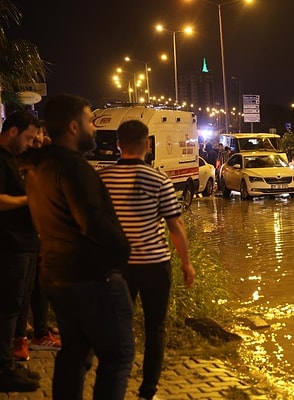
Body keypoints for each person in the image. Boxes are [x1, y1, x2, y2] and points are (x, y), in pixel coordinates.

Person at [22, 94, 135, 400]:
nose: (94, 129)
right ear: (73, 127)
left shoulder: (38, 166)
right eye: (89, 121)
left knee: (74, 353)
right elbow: (93, 222)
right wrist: (122, 252)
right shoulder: (74, 168)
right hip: (92, 277)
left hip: (57, 274)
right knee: (118, 356)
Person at [98, 119, 195, 400]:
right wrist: (186, 263)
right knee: (155, 328)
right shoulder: (159, 179)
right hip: (155, 265)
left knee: (116, 326)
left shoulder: (102, 179)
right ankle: (147, 391)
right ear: (148, 144)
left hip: (118, 267)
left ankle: (115, 383)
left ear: (118, 144)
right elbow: (175, 226)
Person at [0, 110, 42, 392]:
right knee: (7, 307)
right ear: (13, 131)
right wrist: (29, 199)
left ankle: (12, 365)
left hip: (25, 244)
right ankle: (4, 370)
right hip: (9, 244)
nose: (30, 143)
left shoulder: (15, 159)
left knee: (19, 305)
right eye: (28, 137)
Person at [22, 125, 62, 353]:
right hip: (26, 235)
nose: (38, 138)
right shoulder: (20, 163)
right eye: (34, 134)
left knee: (40, 285)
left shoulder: (37, 159)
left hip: (40, 234)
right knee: (30, 286)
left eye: (39, 133)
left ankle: (39, 328)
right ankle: (29, 333)